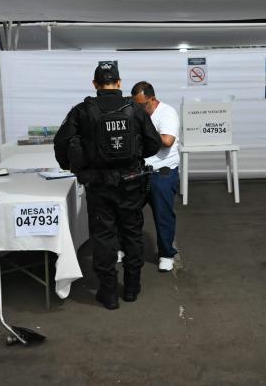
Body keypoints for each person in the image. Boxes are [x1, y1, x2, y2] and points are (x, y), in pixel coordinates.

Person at [54, 62, 161, 310]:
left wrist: (71, 167)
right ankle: (132, 288)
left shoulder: (82, 111)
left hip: (98, 185)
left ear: (95, 84)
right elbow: (153, 145)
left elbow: (62, 143)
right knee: (132, 234)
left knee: (103, 238)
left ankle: (109, 293)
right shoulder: (135, 109)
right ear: (120, 83)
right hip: (132, 183)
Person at [131, 81, 180, 272]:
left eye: (143, 105)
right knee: (129, 213)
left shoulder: (167, 113)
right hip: (140, 170)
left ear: (152, 99)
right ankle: (125, 248)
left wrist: (144, 131)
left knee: (163, 215)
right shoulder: (137, 112)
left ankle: (167, 254)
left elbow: (167, 141)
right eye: (137, 105)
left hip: (162, 172)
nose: (140, 108)